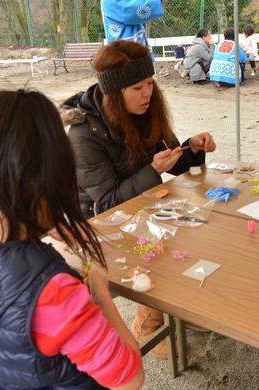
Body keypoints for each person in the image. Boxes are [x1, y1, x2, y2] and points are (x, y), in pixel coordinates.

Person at [0, 89, 240, 390]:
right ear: (54, 175)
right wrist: (98, 293)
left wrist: (37, 233)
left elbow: (3, 300)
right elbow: (130, 380)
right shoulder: (52, 293)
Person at [62, 40, 216, 358]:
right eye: (137, 87)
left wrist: (192, 148)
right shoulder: (82, 134)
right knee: (161, 242)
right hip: (98, 222)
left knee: (198, 225)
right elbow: (105, 204)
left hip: (144, 201)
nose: (147, 93)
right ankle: (147, 321)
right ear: (114, 93)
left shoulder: (146, 110)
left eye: (150, 83)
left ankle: (181, 308)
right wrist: (152, 170)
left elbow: (173, 161)